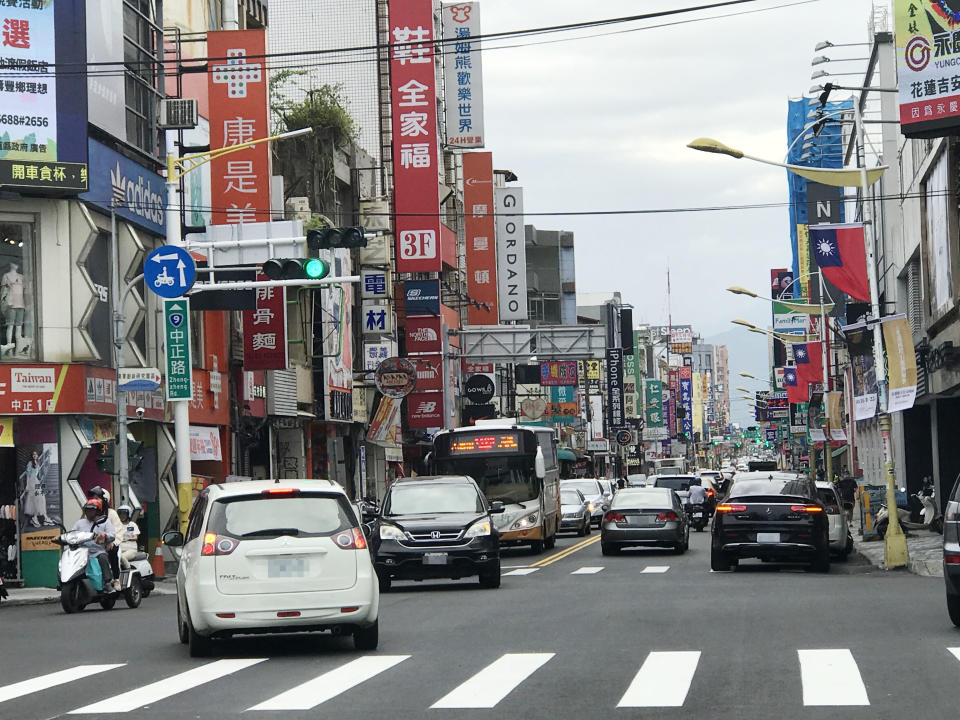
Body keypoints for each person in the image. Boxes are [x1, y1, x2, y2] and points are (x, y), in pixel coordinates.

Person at [72, 497, 115, 589]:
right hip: (81, 551)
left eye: (91, 510)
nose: (88, 512)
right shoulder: (80, 523)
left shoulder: (105, 522)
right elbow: (72, 533)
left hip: (98, 551)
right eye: (87, 510)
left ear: (98, 511)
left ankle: (107, 582)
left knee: (103, 558)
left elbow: (112, 535)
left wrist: (104, 535)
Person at [20, 449, 52, 527]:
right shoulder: (30, 463)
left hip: (36, 482)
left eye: (36, 454)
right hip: (31, 482)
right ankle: (38, 518)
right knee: (36, 499)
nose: (35, 455)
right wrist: (27, 485)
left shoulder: (37, 463)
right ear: (32, 456)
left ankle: (42, 517)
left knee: (40, 498)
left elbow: (37, 474)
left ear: (37, 456)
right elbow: (28, 475)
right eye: (33, 454)